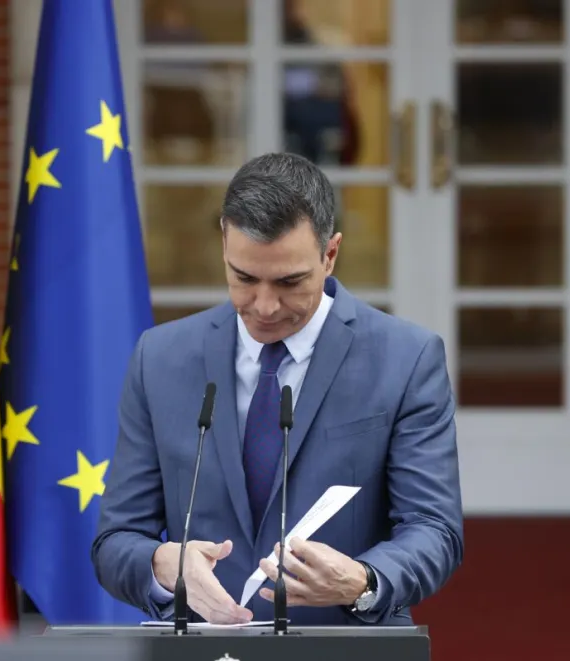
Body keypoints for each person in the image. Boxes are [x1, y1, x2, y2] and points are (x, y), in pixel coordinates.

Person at [91, 153, 463, 626]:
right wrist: (162, 565)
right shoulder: (160, 358)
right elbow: (116, 539)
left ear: (330, 255)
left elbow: (435, 529)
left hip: (343, 650)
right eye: (244, 278)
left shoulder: (406, 358)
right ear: (225, 241)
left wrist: (363, 580)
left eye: (290, 282)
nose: (264, 306)